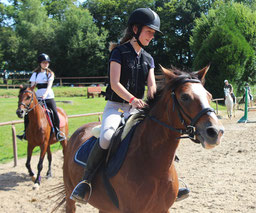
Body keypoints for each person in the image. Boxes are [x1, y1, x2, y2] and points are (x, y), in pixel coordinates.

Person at [70, 8, 189, 204]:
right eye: (149, 31)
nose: (152, 36)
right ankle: (86, 182)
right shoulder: (118, 52)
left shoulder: (148, 58)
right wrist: (133, 99)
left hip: (138, 110)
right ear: (135, 29)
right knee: (107, 137)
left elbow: (151, 85)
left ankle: (172, 182)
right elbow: (115, 83)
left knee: (159, 135)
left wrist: (152, 102)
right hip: (116, 107)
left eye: (153, 33)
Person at [16, 53, 66, 142]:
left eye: (47, 62)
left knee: (54, 112)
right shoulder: (35, 74)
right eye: (44, 62)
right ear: (40, 63)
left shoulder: (50, 74)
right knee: (28, 114)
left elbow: (49, 86)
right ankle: (25, 133)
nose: (46, 64)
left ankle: (58, 132)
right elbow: (32, 87)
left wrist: (45, 95)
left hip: (49, 96)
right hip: (38, 97)